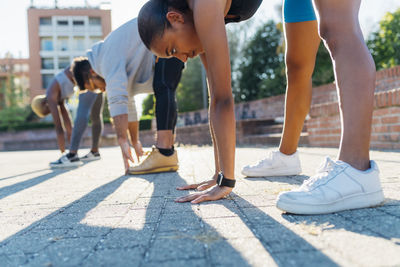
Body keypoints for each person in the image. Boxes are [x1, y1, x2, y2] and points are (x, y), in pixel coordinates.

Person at [137, 0, 384, 214]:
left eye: (173, 49)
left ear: (175, 17)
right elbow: (216, 96)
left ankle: (356, 169)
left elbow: (225, 98)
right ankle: (287, 158)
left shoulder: (203, 6)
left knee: (336, 27)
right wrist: (219, 174)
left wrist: (226, 182)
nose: (181, 57)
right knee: (297, 66)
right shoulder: (195, 20)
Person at [65, 17, 184, 174]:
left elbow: (117, 99)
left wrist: (121, 139)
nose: (102, 90)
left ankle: (164, 153)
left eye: (96, 87)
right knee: (164, 89)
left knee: (163, 88)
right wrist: (135, 142)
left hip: (165, 31)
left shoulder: (105, 59)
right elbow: (128, 103)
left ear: (92, 72)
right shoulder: (110, 59)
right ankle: (168, 153)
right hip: (166, 36)